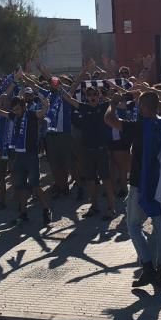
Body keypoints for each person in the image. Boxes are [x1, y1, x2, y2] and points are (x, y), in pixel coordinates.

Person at [104, 90, 161, 290]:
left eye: (139, 105)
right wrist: (148, 96)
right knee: (160, 227)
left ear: (143, 108)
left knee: (134, 226)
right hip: (160, 183)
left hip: (140, 184)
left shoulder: (138, 127)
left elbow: (110, 119)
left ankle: (148, 267)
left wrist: (113, 102)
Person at [0, 93, 53, 225]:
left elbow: (44, 111)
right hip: (19, 155)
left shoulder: (31, 115)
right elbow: (1, 112)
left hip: (31, 156)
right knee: (20, 186)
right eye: (14, 110)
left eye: (18, 109)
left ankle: (46, 209)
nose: (16, 112)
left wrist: (43, 99)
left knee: (35, 185)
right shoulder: (14, 116)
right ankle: (23, 213)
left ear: (23, 106)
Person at [60, 82, 118, 220]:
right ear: (86, 97)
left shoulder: (105, 106)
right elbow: (69, 98)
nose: (92, 97)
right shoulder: (83, 107)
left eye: (95, 94)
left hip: (102, 149)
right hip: (87, 149)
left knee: (106, 179)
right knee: (91, 180)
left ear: (99, 96)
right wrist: (57, 86)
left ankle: (112, 208)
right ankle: (94, 206)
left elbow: (117, 100)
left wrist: (113, 93)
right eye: (89, 95)